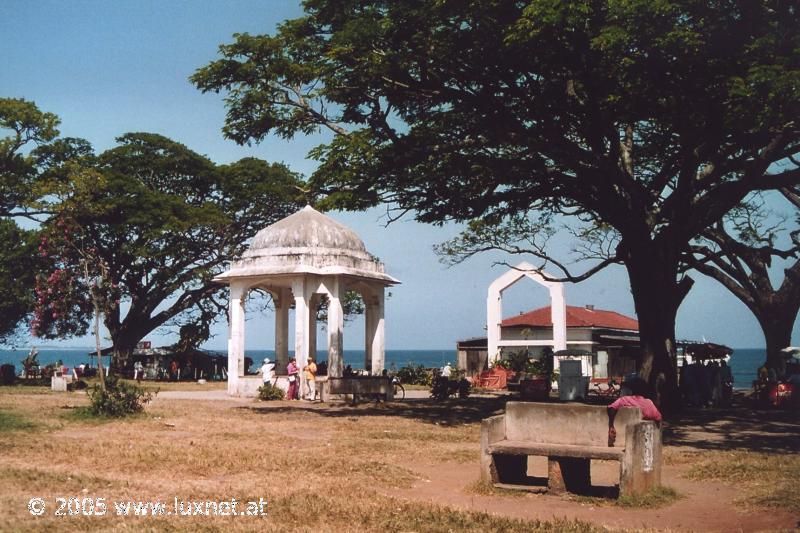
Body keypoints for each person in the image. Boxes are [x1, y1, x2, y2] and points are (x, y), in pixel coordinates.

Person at [607, 378, 662, 446]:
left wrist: (611, 426)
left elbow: (611, 407)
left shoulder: (624, 400)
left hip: (625, 439)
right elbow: (658, 417)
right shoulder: (648, 403)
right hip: (641, 441)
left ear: (632, 390)